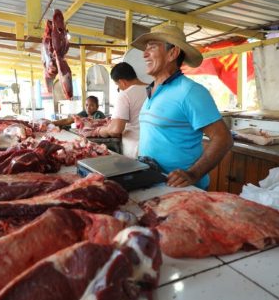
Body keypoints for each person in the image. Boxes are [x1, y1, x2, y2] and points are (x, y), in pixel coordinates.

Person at [131, 25, 233, 189]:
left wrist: (194, 174)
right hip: (154, 181)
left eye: (152, 47)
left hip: (182, 188)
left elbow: (223, 139)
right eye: (145, 48)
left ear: (173, 53)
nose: (144, 54)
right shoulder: (153, 89)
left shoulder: (190, 92)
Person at [88, 62, 147, 158]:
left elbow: (116, 130)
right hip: (153, 147)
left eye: (117, 85)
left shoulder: (126, 94)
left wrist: (99, 131)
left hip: (134, 151)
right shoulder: (153, 88)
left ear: (122, 82)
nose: (119, 88)